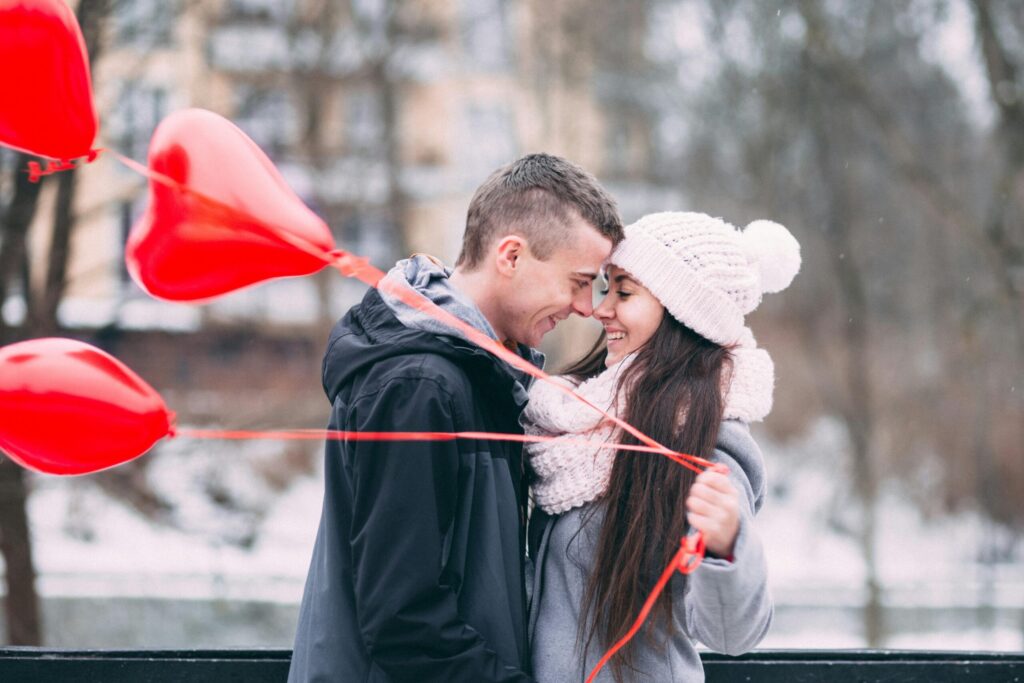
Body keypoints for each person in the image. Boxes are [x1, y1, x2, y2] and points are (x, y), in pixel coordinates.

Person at [288, 153, 624, 682]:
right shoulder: (419, 387)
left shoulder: (480, 375)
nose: (587, 307)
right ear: (510, 255)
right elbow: (403, 619)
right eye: (579, 281)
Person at [524, 211, 801, 682]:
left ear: (682, 312)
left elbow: (733, 634)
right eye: (605, 287)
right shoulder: (570, 422)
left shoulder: (705, 442)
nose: (601, 308)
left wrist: (726, 546)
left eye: (625, 292)